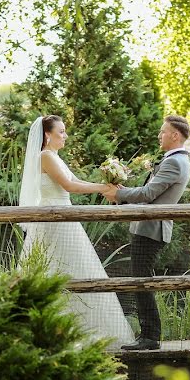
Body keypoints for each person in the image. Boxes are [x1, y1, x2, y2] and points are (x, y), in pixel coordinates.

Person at [18, 115, 136, 349]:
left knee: (75, 270)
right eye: (61, 132)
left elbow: (75, 180)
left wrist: (106, 187)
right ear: (47, 135)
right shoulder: (45, 156)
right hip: (54, 220)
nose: (65, 135)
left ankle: (79, 331)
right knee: (56, 270)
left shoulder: (55, 157)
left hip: (66, 218)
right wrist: (105, 188)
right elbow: (69, 186)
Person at [103, 116, 190, 351]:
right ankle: (148, 335)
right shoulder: (175, 160)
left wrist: (119, 195)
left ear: (175, 135)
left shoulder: (175, 162)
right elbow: (148, 192)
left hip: (151, 228)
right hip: (148, 226)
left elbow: (149, 193)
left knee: (141, 280)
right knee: (140, 279)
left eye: (163, 132)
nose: (159, 136)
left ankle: (150, 337)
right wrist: (123, 194)